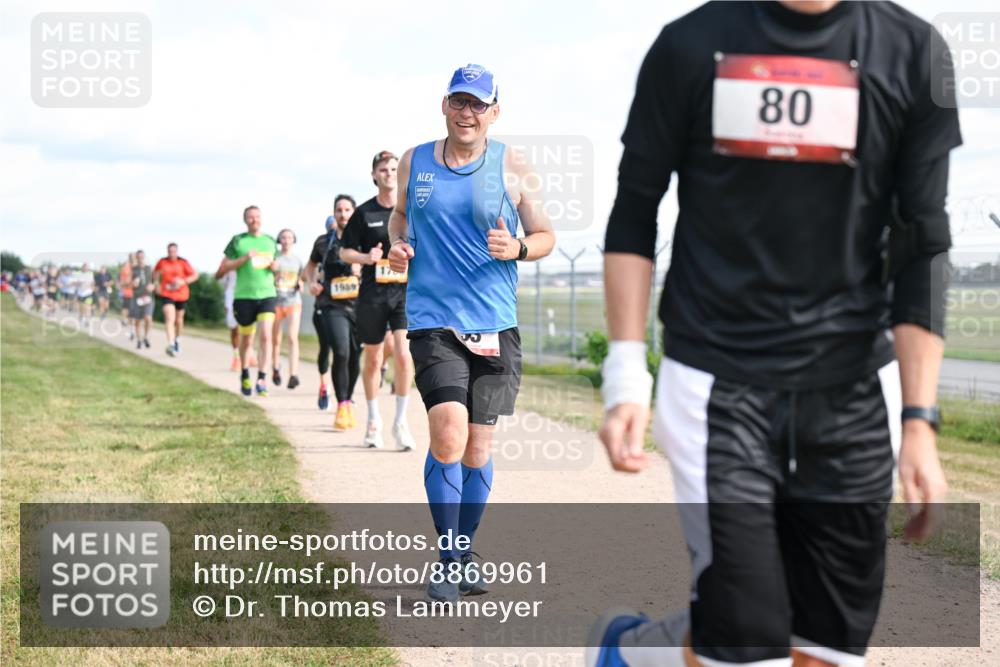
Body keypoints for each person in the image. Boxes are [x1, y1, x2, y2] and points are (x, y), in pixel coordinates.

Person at [588, 2, 960, 666]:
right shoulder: (689, 45)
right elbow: (635, 206)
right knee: (750, 646)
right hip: (715, 379)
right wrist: (625, 374)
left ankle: (633, 654)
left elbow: (922, 247)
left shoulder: (914, 53)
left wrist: (919, 420)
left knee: (823, 652)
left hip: (850, 390)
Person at [388, 63, 555, 602]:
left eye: (478, 104)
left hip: (495, 323)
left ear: (494, 113)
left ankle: (464, 549)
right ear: (444, 105)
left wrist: (521, 248)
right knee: (448, 434)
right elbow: (398, 220)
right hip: (434, 317)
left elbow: (546, 234)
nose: (467, 112)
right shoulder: (415, 160)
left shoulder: (512, 164)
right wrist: (398, 246)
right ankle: (446, 558)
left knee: (479, 448)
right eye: (459, 102)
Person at [340, 151, 416, 450]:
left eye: (394, 168)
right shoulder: (363, 213)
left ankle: (401, 421)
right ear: (374, 175)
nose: (388, 173)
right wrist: (365, 257)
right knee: (372, 358)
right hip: (372, 295)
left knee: (404, 354)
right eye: (383, 169)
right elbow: (345, 252)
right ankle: (373, 421)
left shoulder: (410, 210)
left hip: (404, 293)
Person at [306, 199, 363, 427]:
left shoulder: (364, 239)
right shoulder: (323, 242)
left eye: (347, 210)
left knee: (355, 355)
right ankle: (340, 406)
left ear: (354, 212)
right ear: (334, 214)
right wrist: (312, 283)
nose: (343, 214)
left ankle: (348, 400)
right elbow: (310, 268)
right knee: (340, 351)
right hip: (331, 303)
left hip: (360, 305)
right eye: (339, 210)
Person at [217, 205, 279, 397]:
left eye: (257, 217)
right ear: (245, 220)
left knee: (267, 336)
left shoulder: (270, 241)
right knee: (247, 340)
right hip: (243, 297)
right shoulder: (238, 241)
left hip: (267, 294)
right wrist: (244, 258)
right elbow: (223, 268)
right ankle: (244, 372)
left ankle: (261, 378)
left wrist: (275, 268)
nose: (254, 220)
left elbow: (275, 268)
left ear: (262, 218)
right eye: (250, 217)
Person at [271, 229, 304, 389]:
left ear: (294, 240)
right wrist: (271, 269)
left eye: (289, 237)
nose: (286, 240)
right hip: (276, 302)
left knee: (292, 337)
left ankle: (293, 374)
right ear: (279, 240)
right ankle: (276, 367)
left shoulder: (297, 260)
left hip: (293, 301)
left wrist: (302, 283)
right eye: (283, 237)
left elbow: (302, 278)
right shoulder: (274, 258)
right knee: (276, 339)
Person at [154, 243, 198, 357]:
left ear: (176, 251)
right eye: (169, 251)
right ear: (167, 251)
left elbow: (195, 275)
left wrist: (183, 281)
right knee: (170, 318)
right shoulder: (162, 262)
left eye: (173, 251)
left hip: (181, 294)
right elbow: (155, 273)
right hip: (167, 293)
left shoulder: (183, 262)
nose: (171, 253)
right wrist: (156, 284)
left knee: (179, 320)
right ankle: (171, 344)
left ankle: (177, 339)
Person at [217, 264, 241, 371]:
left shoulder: (253, 254)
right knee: (234, 328)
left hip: (250, 295)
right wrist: (228, 266)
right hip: (232, 296)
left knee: (248, 328)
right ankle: (236, 357)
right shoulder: (229, 258)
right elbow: (218, 275)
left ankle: (248, 356)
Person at [130, 251, 154, 349]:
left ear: (144, 257)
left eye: (142, 256)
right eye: (138, 257)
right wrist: (133, 283)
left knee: (148, 318)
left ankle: (146, 337)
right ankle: (139, 340)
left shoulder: (149, 268)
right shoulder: (133, 270)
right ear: (136, 258)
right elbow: (127, 283)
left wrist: (153, 285)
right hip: (137, 298)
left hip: (148, 297)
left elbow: (156, 280)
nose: (140, 258)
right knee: (138, 321)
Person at [119, 253, 135, 335]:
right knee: (127, 309)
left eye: (134, 257)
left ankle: (132, 328)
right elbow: (121, 282)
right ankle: (126, 322)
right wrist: (127, 281)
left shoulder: (138, 267)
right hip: (127, 292)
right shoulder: (125, 268)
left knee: (133, 311)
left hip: (138, 293)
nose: (133, 259)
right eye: (131, 257)